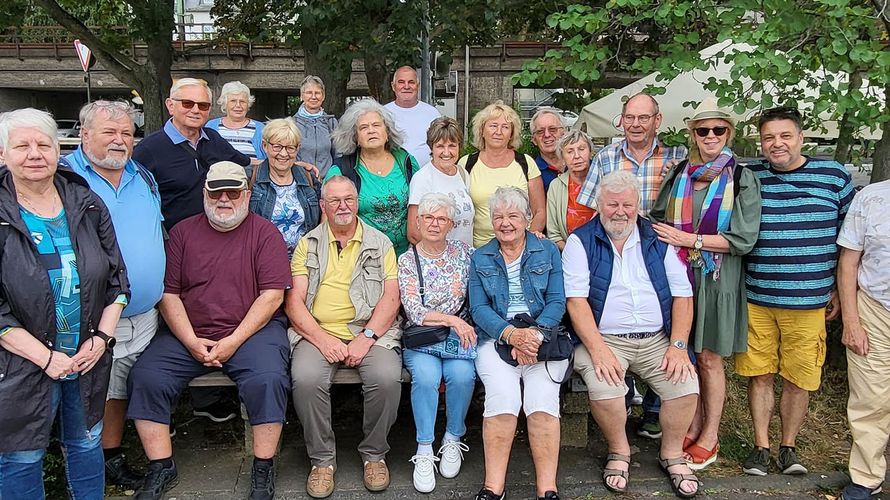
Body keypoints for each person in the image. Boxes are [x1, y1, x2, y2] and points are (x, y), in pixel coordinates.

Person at [127, 162, 292, 500]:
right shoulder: (183, 233)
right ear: (205, 193)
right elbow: (168, 293)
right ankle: (161, 466)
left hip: (251, 331)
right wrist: (189, 340)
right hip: (189, 330)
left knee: (268, 379)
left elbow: (273, 295)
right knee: (146, 377)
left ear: (247, 194)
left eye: (234, 191)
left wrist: (233, 340)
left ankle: (263, 466)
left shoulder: (265, 233)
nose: (225, 199)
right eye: (217, 192)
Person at [0, 108, 129, 499]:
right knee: (22, 457)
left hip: (86, 356)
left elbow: (117, 280)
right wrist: (45, 357)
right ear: (3, 153)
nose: (35, 153)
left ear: (60, 151)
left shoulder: (86, 203)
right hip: (20, 362)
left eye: (44, 144)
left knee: (88, 443)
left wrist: (102, 339)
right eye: (22, 145)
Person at [564, 171, 700, 498]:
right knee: (606, 386)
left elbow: (683, 296)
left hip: (657, 338)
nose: (620, 211)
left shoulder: (659, 238)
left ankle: (672, 454)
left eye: (627, 204)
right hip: (604, 338)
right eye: (612, 204)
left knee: (684, 386)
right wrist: (597, 350)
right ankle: (619, 450)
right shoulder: (580, 240)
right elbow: (576, 302)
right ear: (599, 205)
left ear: (638, 205)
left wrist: (679, 345)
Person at [735, 106, 854, 476]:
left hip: (809, 300)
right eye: (769, 137)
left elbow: (851, 240)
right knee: (760, 374)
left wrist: (838, 287)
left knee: (798, 377)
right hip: (757, 297)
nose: (777, 144)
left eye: (785, 136)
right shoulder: (749, 175)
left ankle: (788, 447)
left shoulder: (832, 176)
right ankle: (760, 447)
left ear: (801, 137)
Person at [649, 101, 762, 471]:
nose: (710, 137)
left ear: (729, 134)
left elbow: (742, 239)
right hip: (680, 277)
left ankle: (710, 435)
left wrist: (690, 240)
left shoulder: (742, 177)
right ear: (692, 134)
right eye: (703, 130)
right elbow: (657, 219)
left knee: (710, 358)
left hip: (717, 278)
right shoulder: (681, 172)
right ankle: (691, 423)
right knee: (685, 355)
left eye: (718, 130)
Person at [66, 100, 166, 489]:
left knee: (120, 387)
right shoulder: (66, 178)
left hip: (143, 313)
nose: (120, 140)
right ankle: (85, 467)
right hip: (92, 316)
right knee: (89, 393)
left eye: (126, 132)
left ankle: (111, 456)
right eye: (109, 132)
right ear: (84, 134)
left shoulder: (142, 176)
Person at [576, 92, 688, 439]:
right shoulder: (606, 156)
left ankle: (655, 411)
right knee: (618, 309)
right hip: (612, 244)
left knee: (665, 319)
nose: (636, 124)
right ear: (621, 120)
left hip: (663, 247)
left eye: (644, 118)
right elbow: (590, 206)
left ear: (657, 121)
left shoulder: (679, 157)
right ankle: (622, 404)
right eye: (630, 117)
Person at [287, 176, 403, 498]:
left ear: (357, 202)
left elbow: (391, 298)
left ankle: (374, 454)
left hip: (370, 331)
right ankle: (322, 461)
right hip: (317, 332)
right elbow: (294, 302)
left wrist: (366, 337)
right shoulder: (307, 243)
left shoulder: (381, 243)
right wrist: (323, 340)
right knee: (306, 378)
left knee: (387, 377)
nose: (343, 206)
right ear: (322, 205)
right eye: (335, 200)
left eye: (349, 199)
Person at [468, 187, 568, 500]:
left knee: (541, 401)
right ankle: (493, 487)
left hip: (544, 337)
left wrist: (535, 335)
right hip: (497, 337)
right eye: (498, 216)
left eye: (513, 215)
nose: (505, 222)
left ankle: (547, 488)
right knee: (502, 399)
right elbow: (479, 309)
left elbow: (556, 300)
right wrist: (513, 335)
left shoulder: (546, 250)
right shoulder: (480, 256)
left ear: (527, 219)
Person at [399, 193, 477, 493]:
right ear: (418, 222)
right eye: (428, 218)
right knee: (427, 378)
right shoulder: (408, 260)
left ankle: (453, 438)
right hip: (424, 336)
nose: (434, 223)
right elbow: (414, 310)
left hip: (458, 338)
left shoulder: (464, 252)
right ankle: (424, 448)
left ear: (452, 224)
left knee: (462, 376)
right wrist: (452, 320)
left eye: (441, 218)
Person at [133, 77, 251, 231]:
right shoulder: (148, 150)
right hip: (173, 243)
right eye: (187, 103)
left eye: (203, 105)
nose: (195, 110)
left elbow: (245, 164)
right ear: (170, 105)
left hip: (218, 236)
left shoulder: (214, 139)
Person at [836, 179, 890, 500]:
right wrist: (851, 320)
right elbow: (848, 262)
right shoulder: (871, 198)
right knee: (870, 399)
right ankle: (867, 477)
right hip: (875, 309)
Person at [326, 99, 419, 255]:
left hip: (405, 258)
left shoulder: (407, 161)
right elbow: (328, 220)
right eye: (363, 127)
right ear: (355, 137)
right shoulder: (341, 170)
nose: (371, 130)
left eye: (376, 125)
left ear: (387, 132)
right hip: (362, 258)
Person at [459, 101, 546, 248]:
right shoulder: (466, 164)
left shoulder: (526, 163)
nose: (498, 132)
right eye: (493, 126)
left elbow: (540, 211)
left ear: (512, 133)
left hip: (520, 249)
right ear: (482, 130)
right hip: (478, 250)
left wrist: (527, 245)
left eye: (505, 127)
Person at [249, 117, 321, 257]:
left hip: (303, 261)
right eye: (277, 147)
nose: (283, 154)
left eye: (290, 148)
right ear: (265, 146)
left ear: (297, 148)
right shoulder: (251, 178)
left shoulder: (308, 179)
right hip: (264, 259)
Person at [407, 116, 474, 247]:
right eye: (440, 146)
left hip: (464, 259)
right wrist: (441, 258)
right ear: (431, 148)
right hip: (438, 262)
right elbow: (414, 233)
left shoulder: (462, 173)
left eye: (452, 146)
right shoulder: (423, 178)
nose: (446, 152)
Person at [546, 130, 597, 250]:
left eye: (581, 149)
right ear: (562, 158)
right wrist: (573, 253)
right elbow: (554, 234)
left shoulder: (603, 181)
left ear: (590, 153)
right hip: (569, 252)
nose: (577, 156)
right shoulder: (556, 186)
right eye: (570, 151)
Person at [384, 66, 441, 165]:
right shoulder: (382, 114)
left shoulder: (432, 114)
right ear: (393, 86)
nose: (406, 86)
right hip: (393, 175)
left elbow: (441, 144)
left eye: (411, 82)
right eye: (401, 82)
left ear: (418, 86)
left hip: (426, 176)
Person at [206, 81, 266, 164]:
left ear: (248, 104)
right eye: (233, 101)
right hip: (221, 175)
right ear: (225, 103)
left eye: (242, 101)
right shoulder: (211, 126)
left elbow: (268, 160)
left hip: (252, 175)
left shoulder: (261, 128)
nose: (238, 105)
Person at [293, 75, 339, 177]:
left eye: (317, 93)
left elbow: (338, 154)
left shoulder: (331, 122)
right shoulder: (292, 124)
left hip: (327, 181)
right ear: (301, 96)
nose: (313, 97)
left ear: (323, 96)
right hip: (301, 180)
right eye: (309, 93)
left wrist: (333, 176)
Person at [530, 108, 567, 192]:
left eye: (552, 129)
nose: (547, 135)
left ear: (564, 134)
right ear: (534, 140)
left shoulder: (582, 165)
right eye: (540, 131)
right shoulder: (532, 173)